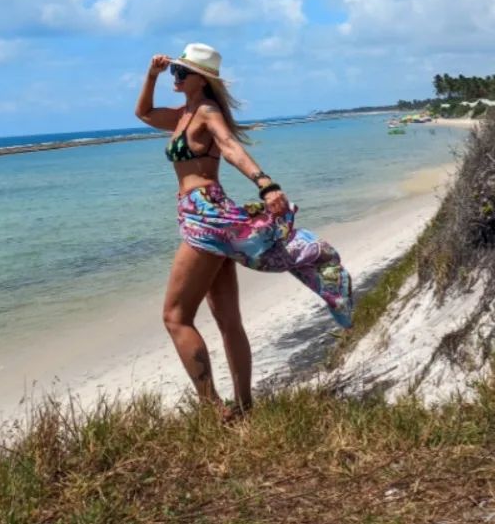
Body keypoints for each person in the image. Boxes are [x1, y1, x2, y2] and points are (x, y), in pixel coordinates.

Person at [135, 42, 353, 416]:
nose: (176, 76)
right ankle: (244, 407)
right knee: (228, 321)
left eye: (180, 72)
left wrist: (265, 183)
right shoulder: (183, 114)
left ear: (200, 80)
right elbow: (143, 114)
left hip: (206, 217)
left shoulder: (205, 112)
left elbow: (230, 146)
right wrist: (151, 75)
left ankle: (214, 410)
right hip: (202, 213)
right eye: (174, 71)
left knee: (175, 317)